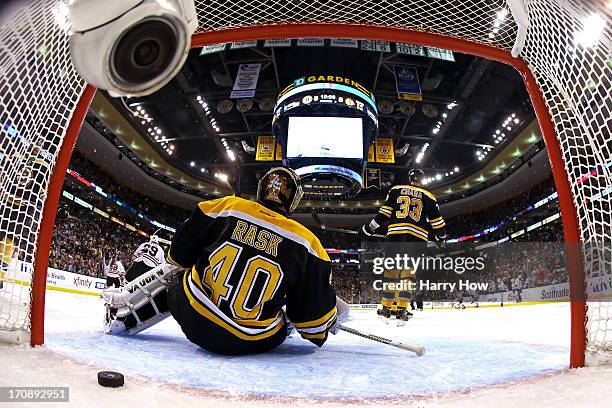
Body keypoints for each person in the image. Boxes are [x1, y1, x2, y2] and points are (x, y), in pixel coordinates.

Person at [103, 167, 348, 355]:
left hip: (193, 317)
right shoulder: (309, 244)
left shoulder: (226, 206)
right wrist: (327, 318)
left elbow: (178, 255)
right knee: (289, 314)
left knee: (177, 274)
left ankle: (124, 314)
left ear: (261, 189)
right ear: (294, 201)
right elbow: (312, 329)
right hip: (251, 341)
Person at [360, 168, 446, 323]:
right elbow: (437, 223)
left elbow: (384, 213)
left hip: (396, 234)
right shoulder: (429, 196)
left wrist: (369, 228)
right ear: (422, 180)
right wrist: (441, 238)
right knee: (408, 274)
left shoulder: (396, 190)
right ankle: (402, 309)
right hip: (417, 239)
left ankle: (386, 308)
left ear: (410, 178)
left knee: (391, 271)